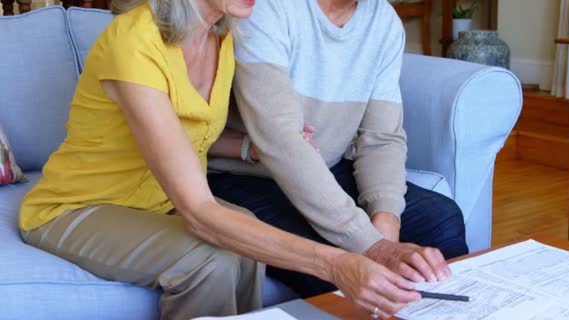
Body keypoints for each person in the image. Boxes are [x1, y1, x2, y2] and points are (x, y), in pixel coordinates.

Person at [19, 0, 423, 319]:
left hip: (159, 202)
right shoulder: (134, 42)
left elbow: (185, 131)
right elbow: (199, 211)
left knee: (245, 239)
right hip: (76, 208)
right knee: (211, 259)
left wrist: (249, 147)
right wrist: (339, 265)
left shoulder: (221, 37)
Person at [208, 0, 470, 306]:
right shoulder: (266, 8)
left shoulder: (382, 20)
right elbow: (283, 143)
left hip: (325, 165)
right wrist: (371, 246)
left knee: (439, 220)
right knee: (339, 261)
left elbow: (381, 137)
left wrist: (386, 221)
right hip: (245, 176)